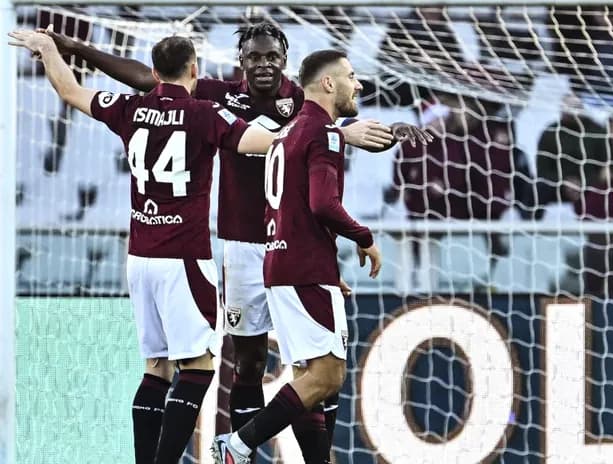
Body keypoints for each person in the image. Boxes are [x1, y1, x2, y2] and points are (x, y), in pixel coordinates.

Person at [43, 23, 430, 462]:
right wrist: (76, 46)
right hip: (241, 247)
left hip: (292, 243)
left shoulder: (304, 100)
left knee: (313, 365)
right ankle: (244, 452)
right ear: (239, 60)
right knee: (249, 361)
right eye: (254, 56)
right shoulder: (217, 97)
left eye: (271, 56)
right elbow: (144, 77)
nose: (263, 64)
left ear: (284, 58)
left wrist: (389, 129)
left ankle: (305, 456)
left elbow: (341, 118)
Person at [7, 31, 278, 463]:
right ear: (194, 70)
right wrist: (332, 132)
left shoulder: (129, 107)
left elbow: (69, 90)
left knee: (156, 368)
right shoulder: (206, 114)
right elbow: (266, 142)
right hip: (184, 259)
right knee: (197, 366)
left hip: (139, 258)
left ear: (153, 73)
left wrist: (48, 50)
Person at [211, 49, 380, 464]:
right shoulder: (323, 134)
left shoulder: (287, 134)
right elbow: (323, 204)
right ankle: (236, 445)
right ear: (328, 83)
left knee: (310, 377)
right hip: (303, 268)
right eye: (352, 76)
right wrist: (364, 236)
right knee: (328, 376)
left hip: (283, 262)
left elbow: (286, 207)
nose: (358, 84)